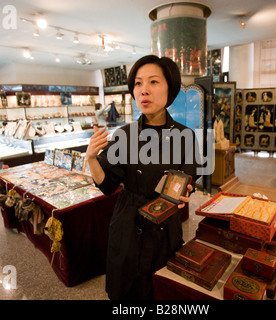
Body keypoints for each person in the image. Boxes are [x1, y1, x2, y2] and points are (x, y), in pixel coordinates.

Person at [85, 55, 201, 300]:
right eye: (138, 83)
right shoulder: (124, 135)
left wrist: (185, 193)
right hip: (128, 222)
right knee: (126, 290)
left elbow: (189, 177)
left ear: (170, 89)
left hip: (164, 224)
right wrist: (92, 159)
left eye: (153, 82)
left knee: (159, 289)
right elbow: (106, 186)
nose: (143, 90)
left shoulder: (185, 135)